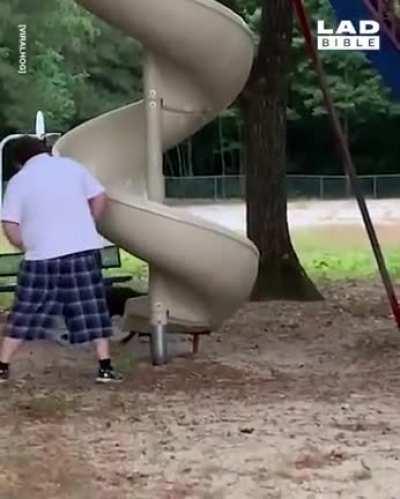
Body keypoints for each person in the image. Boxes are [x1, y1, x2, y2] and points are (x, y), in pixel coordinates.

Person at [0, 135, 122, 384]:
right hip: (82, 249)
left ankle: (2, 366)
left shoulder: (19, 181)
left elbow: (10, 223)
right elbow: (100, 197)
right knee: (92, 307)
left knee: (25, 311)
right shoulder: (72, 167)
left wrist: (24, 244)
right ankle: (105, 367)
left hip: (41, 256)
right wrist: (89, 222)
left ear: (18, 161)